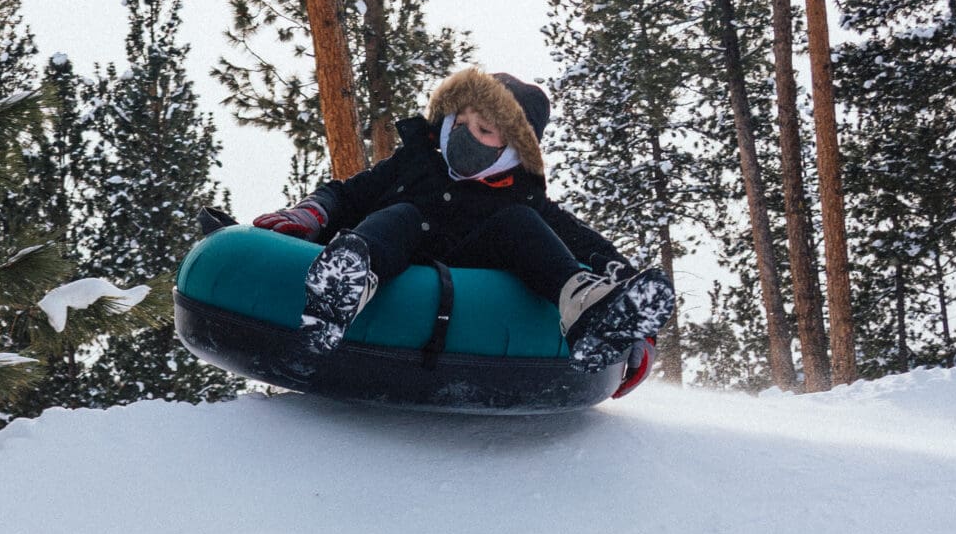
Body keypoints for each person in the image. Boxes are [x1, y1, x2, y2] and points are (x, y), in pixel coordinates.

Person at [251, 68, 674, 372]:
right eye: (463, 122)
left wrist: (633, 310)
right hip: (394, 255)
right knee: (402, 215)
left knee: (520, 224)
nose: (468, 135)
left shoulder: (520, 198)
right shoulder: (414, 162)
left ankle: (592, 314)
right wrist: (309, 214)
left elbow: (588, 244)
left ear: (511, 150)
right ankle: (343, 292)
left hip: (473, 283)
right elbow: (347, 194)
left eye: (485, 131)